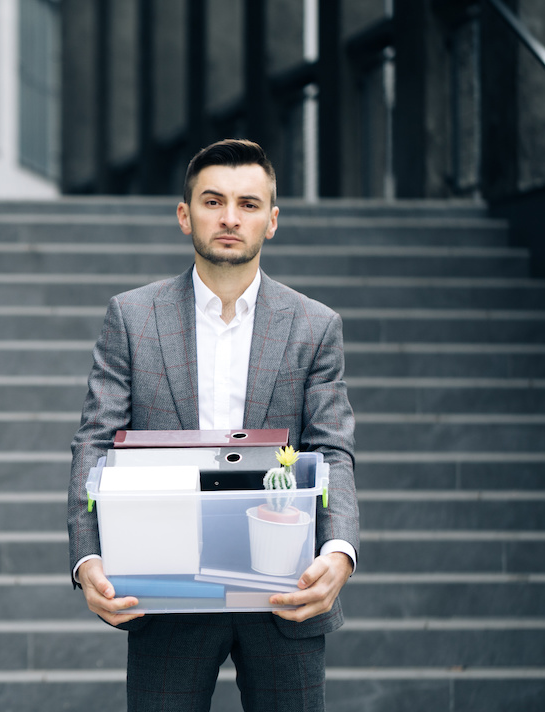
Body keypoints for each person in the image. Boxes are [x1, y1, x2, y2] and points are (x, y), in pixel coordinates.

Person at [67, 139, 360, 711]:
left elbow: (333, 449)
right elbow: (95, 441)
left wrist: (340, 550)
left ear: (271, 221)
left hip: (284, 588)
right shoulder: (131, 318)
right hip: (166, 586)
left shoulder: (315, 326)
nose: (230, 217)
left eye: (249, 204)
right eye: (213, 201)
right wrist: (88, 557)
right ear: (185, 215)